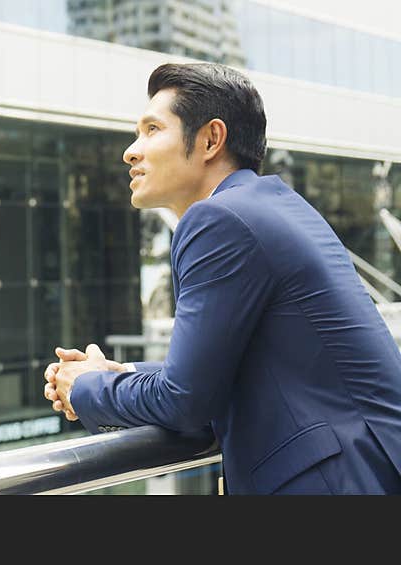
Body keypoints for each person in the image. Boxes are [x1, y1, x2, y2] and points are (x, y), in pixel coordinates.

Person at [43, 63, 401, 494]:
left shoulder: (218, 220)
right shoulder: (273, 205)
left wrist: (86, 387)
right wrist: (122, 371)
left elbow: (185, 401)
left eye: (152, 130)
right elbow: (227, 368)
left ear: (211, 139)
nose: (131, 152)